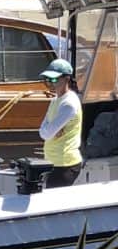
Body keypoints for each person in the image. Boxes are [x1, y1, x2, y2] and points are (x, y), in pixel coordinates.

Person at [38, 58, 83, 188]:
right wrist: (50, 130)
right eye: (48, 79)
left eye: (54, 79)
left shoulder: (68, 103)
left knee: (56, 204)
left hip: (65, 164)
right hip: (54, 162)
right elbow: (43, 130)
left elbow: (45, 134)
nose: (50, 83)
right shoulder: (55, 100)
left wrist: (49, 130)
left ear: (67, 79)